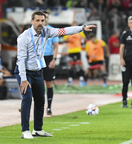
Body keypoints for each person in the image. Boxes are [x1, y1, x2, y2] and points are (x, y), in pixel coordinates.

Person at [14, 11, 96, 139]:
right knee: (27, 98)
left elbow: (64, 31)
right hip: (24, 72)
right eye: (37, 20)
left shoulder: (47, 31)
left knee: (41, 100)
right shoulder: (24, 37)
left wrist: (81, 28)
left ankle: (38, 129)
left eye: (42, 20)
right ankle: (25, 130)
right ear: (32, 22)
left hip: (37, 71)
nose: (40, 23)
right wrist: (23, 79)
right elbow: (20, 60)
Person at [41, 10, 59, 115]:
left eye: (46, 17)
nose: (45, 19)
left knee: (48, 83)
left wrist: (54, 59)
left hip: (48, 57)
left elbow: (56, 46)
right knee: (36, 83)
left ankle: (49, 107)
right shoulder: (34, 31)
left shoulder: (52, 30)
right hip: (38, 58)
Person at [63, 21, 86, 87]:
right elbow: (64, 39)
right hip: (71, 50)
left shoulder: (79, 31)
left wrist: (82, 40)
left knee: (79, 65)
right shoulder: (68, 32)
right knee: (70, 65)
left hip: (78, 50)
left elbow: (84, 38)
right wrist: (68, 40)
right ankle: (70, 80)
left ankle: (81, 79)